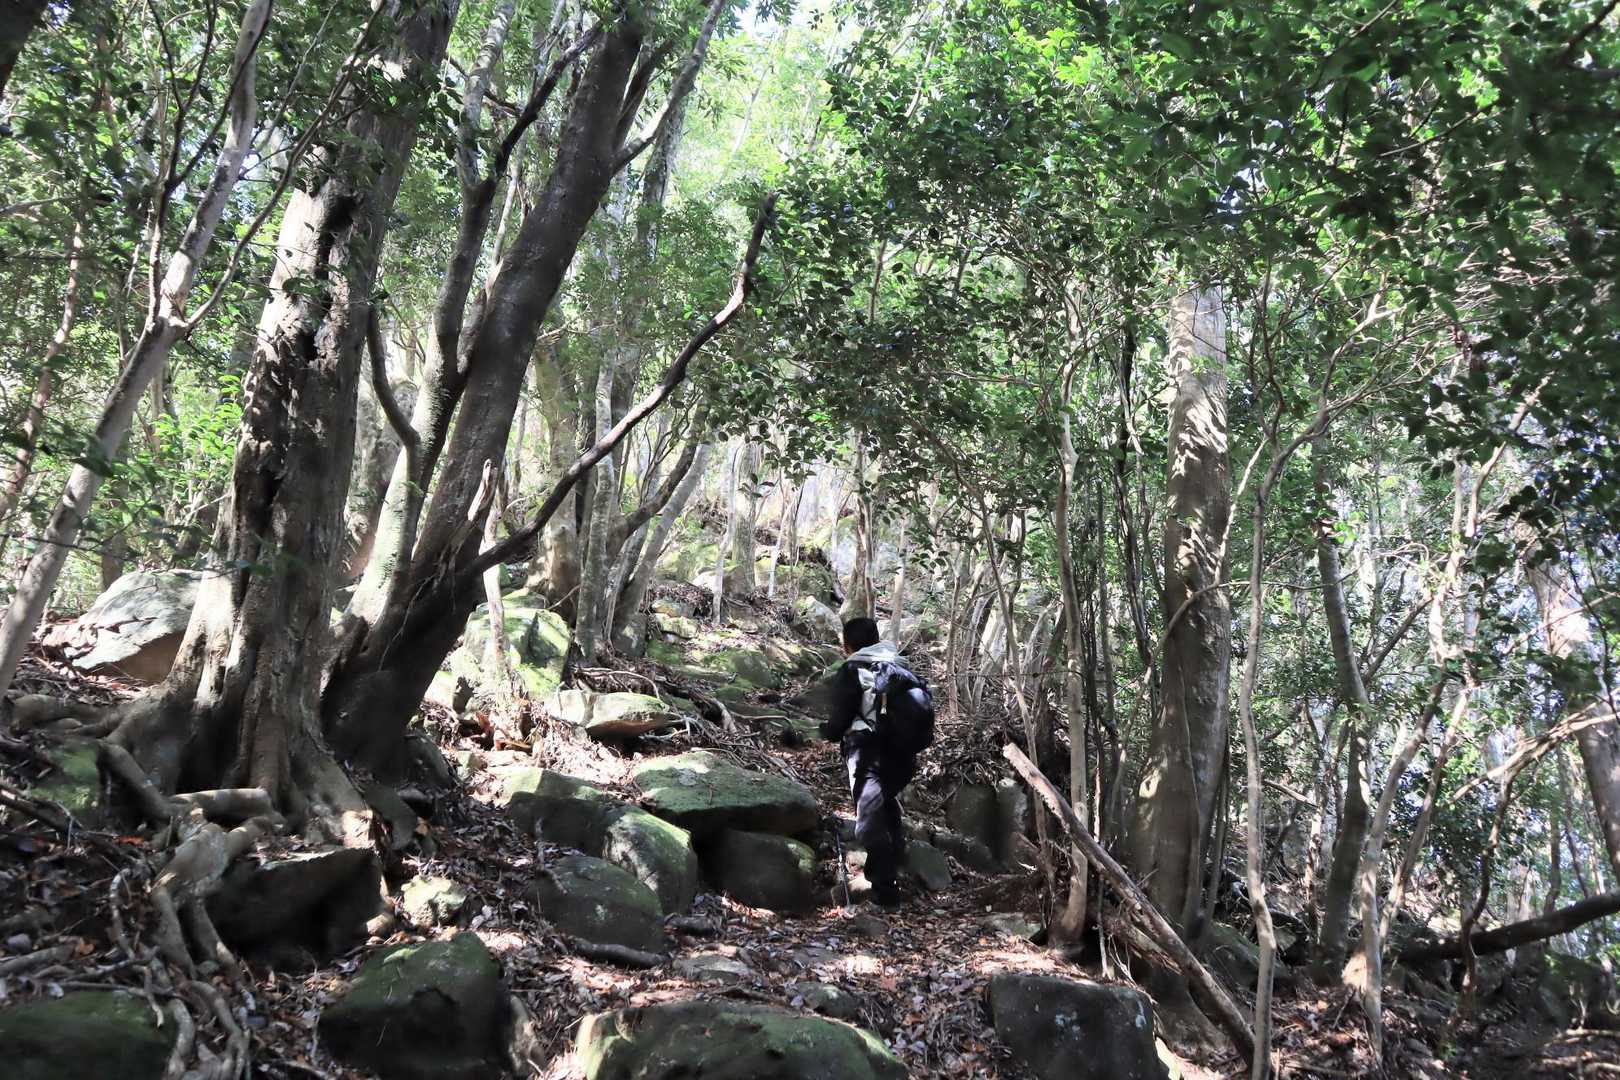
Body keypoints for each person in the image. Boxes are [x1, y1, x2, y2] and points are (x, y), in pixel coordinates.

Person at [820, 616, 920, 907]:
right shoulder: (900, 666)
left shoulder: (852, 669)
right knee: (886, 807)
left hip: (867, 754)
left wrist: (824, 731)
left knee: (867, 825)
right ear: (876, 639)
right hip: (904, 757)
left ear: (846, 644)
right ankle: (895, 864)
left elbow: (838, 722)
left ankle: (886, 893)